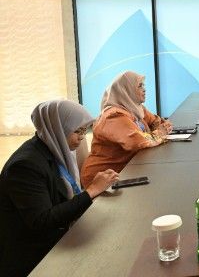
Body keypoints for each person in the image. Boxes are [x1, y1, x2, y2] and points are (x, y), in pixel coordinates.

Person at [0, 100, 119, 277]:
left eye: (84, 130)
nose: (82, 137)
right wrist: (91, 191)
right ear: (57, 128)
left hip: (58, 239)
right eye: (77, 131)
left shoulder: (54, 150)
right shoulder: (25, 165)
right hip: (33, 258)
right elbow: (42, 221)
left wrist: (92, 191)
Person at [80, 71, 172, 188]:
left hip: (127, 169)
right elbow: (136, 142)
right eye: (139, 86)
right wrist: (160, 133)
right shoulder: (113, 116)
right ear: (126, 90)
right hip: (101, 178)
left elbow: (155, 121)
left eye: (143, 85)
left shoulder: (135, 108)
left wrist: (162, 126)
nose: (144, 89)